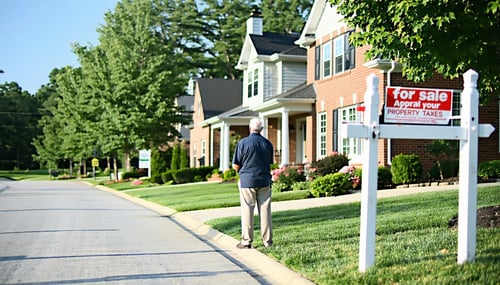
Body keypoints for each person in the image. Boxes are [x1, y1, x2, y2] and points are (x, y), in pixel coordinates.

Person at [232, 117, 274, 249]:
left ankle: (247, 241)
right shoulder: (267, 144)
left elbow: (235, 165)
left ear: (249, 128)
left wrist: (241, 173)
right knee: (265, 210)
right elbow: (269, 162)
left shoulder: (242, 143)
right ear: (261, 129)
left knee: (247, 211)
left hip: (247, 181)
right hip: (264, 180)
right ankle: (267, 241)